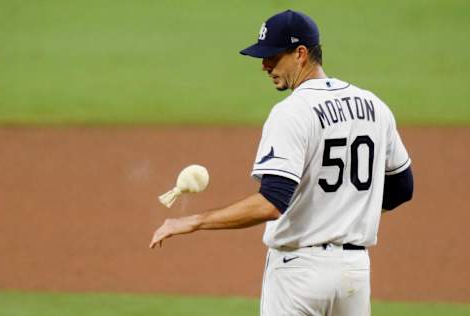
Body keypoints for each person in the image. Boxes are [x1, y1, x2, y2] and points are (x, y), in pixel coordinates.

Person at [150, 9, 413, 316]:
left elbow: (271, 202)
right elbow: (401, 188)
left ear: (300, 54)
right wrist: (345, 208)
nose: (264, 65)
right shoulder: (374, 106)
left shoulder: (292, 112)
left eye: (273, 56)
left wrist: (190, 222)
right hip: (354, 275)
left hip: (298, 275)